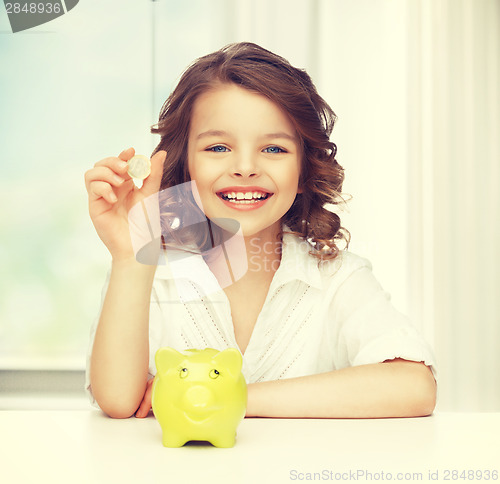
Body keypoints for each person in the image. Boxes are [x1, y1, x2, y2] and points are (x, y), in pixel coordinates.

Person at [84, 42, 437, 420]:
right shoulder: (149, 269)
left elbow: (414, 385)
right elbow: (119, 400)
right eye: (218, 147)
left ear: (304, 171)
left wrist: (228, 395)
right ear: (185, 166)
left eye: (273, 149)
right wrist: (130, 255)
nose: (246, 167)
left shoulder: (337, 278)